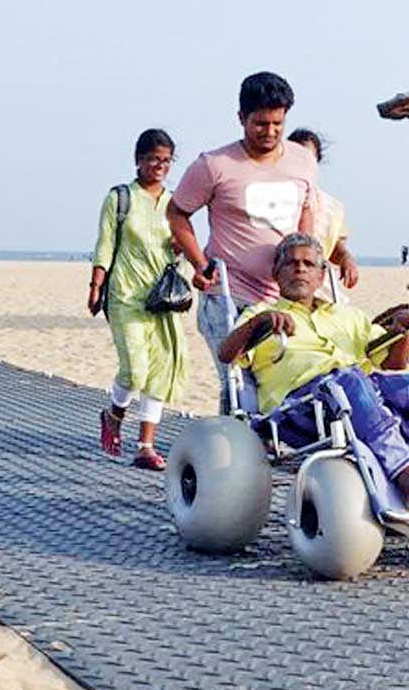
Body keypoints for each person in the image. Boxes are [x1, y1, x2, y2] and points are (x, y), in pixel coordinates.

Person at [219, 234, 409, 511]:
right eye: (290, 263)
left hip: (361, 396)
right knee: (348, 379)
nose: (300, 268)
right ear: (276, 273)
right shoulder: (262, 313)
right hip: (301, 409)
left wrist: (403, 333)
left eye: (308, 264)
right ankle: (407, 476)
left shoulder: (348, 316)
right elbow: (226, 355)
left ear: (322, 274)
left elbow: (394, 363)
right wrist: (259, 324)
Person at [167, 71, 319, 410]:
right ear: (241, 119)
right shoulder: (214, 165)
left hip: (281, 295)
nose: (270, 132)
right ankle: (231, 456)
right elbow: (177, 212)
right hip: (228, 293)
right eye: (260, 124)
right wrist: (199, 262)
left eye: (277, 124)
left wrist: (306, 258)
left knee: (277, 376)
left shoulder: (302, 160)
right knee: (238, 382)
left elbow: (306, 209)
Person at [88, 128, 188, 471]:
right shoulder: (120, 198)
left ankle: (146, 445)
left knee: (159, 372)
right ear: (138, 160)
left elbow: (185, 246)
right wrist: (96, 284)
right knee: (135, 369)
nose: (158, 166)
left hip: (163, 299)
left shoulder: (176, 203)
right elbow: (105, 243)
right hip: (126, 295)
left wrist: (182, 251)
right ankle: (113, 414)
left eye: (165, 160)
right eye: (151, 159)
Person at [286, 128, 359, 291]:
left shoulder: (331, 206)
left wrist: (346, 258)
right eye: (297, 158)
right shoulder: (270, 195)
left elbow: (334, 248)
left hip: (316, 286)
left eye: (309, 159)